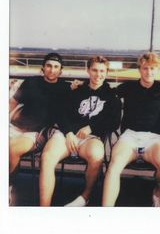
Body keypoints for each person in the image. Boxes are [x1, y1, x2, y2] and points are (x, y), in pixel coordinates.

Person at [39, 56, 121, 206]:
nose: (98, 74)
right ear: (88, 70)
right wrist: (69, 133)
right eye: (94, 70)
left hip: (91, 138)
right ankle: (44, 207)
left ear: (107, 72)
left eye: (102, 71)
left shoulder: (112, 96)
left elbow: (114, 122)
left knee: (96, 156)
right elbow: (61, 114)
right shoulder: (76, 91)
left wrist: (92, 127)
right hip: (66, 135)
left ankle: (85, 196)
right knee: (47, 157)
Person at [102, 52, 160, 207]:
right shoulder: (128, 87)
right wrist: (78, 85)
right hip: (129, 138)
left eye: (152, 68)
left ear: (157, 70)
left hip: (154, 139)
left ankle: (158, 192)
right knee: (114, 165)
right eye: (145, 68)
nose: (149, 72)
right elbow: (104, 91)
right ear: (140, 69)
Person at [9, 52, 70, 205]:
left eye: (56, 67)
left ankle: (8, 187)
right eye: (49, 66)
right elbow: (13, 102)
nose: (52, 70)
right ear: (43, 67)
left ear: (61, 70)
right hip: (14, 126)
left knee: (12, 149)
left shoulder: (65, 88)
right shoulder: (31, 82)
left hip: (36, 133)